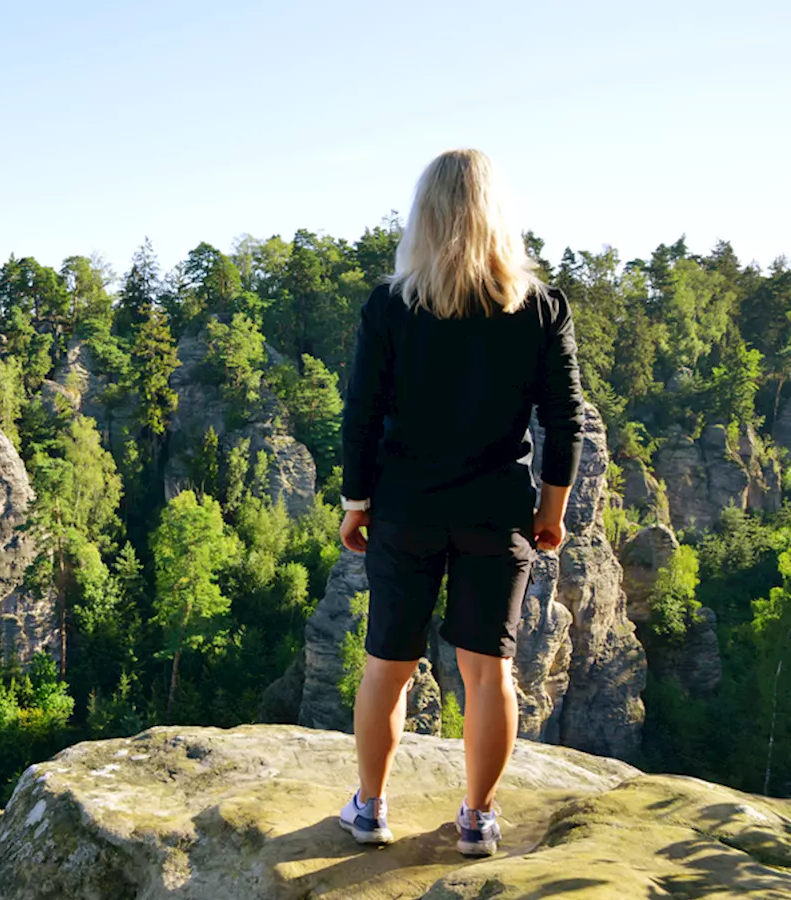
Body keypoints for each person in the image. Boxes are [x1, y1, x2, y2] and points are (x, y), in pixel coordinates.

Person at [335, 149, 584, 858]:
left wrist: (357, 502)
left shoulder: (391, 306)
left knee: (389, 661)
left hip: (405, 507)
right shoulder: (539, 308)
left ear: (425, 216)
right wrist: (552, 509)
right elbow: (565, 418)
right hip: (497, 508)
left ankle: (371, 808)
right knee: (487, 671)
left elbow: (361, 414)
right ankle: (477, 819)